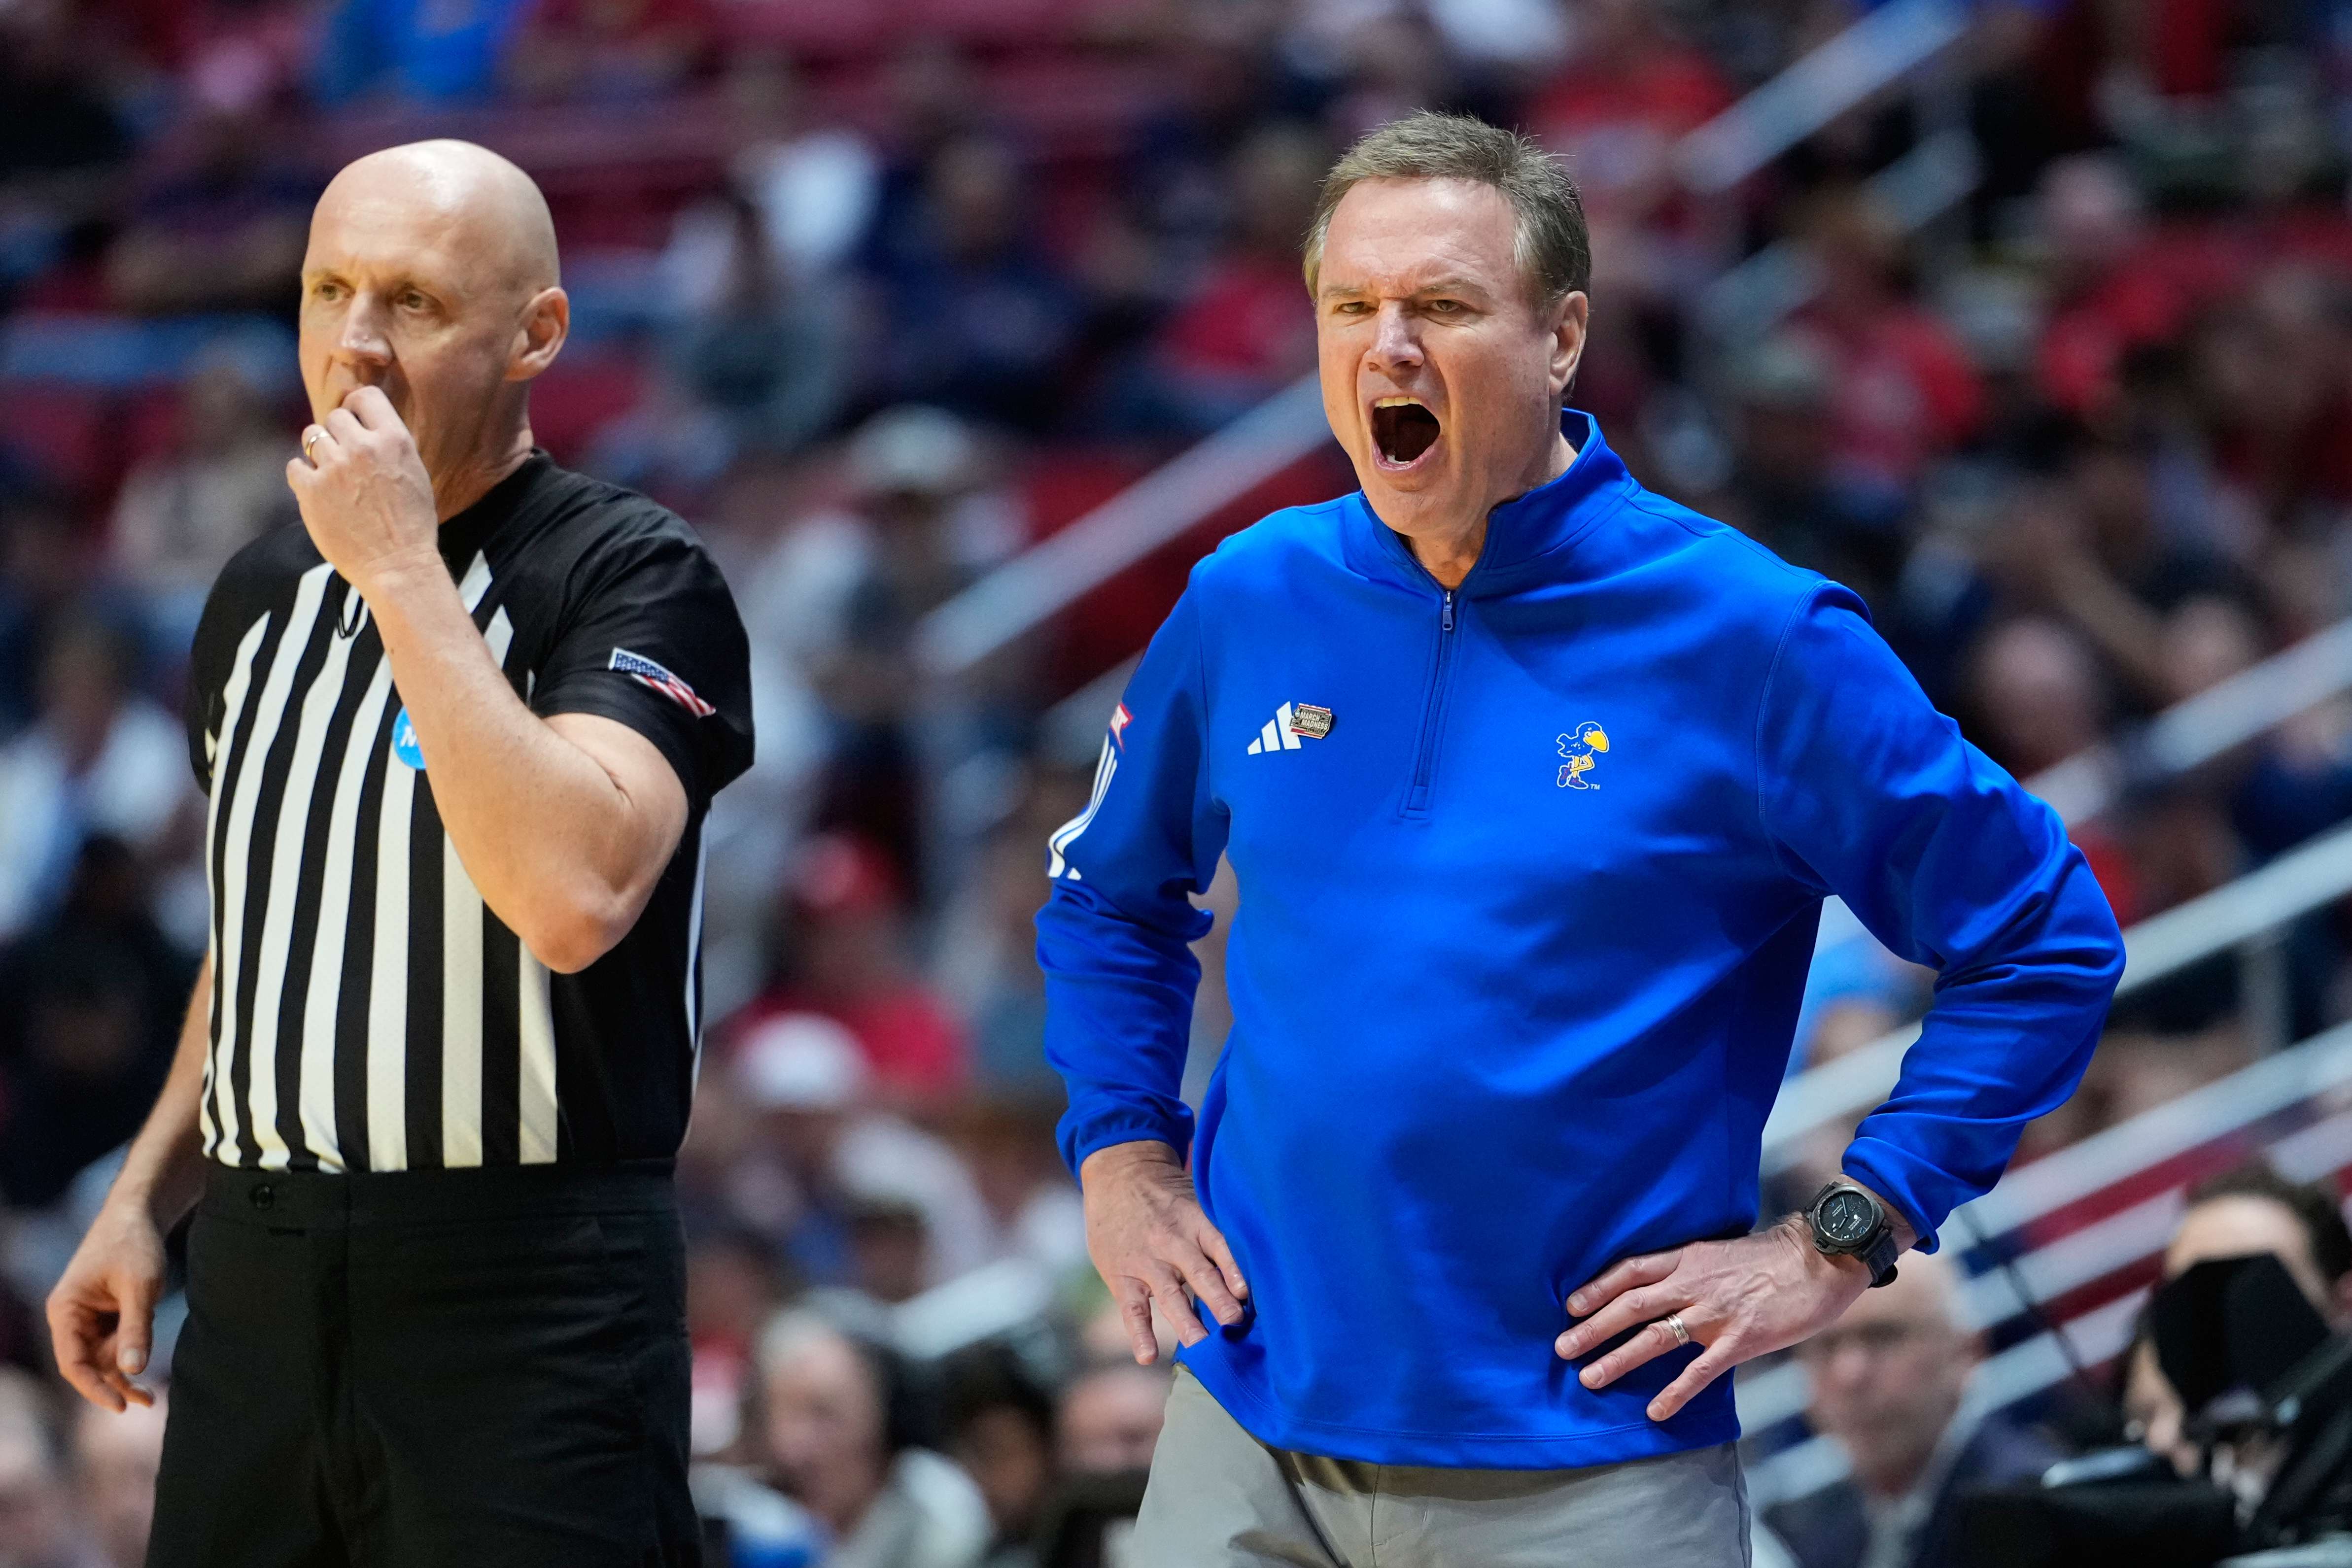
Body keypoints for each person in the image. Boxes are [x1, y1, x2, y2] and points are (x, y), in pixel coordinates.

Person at [1035, 111, 2125, 1565]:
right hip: (1246, 1423)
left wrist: (1843, 1233)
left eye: (1440, 306)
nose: (1387, 348)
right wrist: (1122, 1151)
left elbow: (2044, 933)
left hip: (1585, 1464)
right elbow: (1109, 896)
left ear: (1561, 338)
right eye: (1349, 308)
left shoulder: (1752, 634)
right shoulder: (1253, 595)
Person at [43, 139, 754, 1566]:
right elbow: (267, 930)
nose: (354, 345)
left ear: (535, 334)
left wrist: (400, 570)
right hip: (256, 1270)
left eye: (414, 303)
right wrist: (146, 1193)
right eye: (327, 291)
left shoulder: (635, 573)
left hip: (530, 1286)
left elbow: (571, 895)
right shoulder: (255, 594)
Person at [1765, 1252, 2065, 1568]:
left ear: (1966, 1352)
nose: (1849, 1375)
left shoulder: (2035, 1511)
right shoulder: (1804, 1529)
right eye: (1825, 1345)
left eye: (1883, 1336)